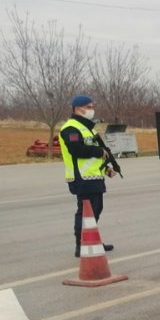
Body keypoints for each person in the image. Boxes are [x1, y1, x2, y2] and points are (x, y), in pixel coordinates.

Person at [58, 95, 117, 257]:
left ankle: (92, 241)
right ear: (78, 109)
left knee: (96, 210)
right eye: (89, 107)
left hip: (94, 177)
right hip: (81, 178)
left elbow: (94, 157)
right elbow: (76, 150)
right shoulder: (71, 128)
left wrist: (106, 169)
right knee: (85, 212)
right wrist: (99, 151)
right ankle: (80, 245)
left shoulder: (88, 128)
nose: (92, 110)